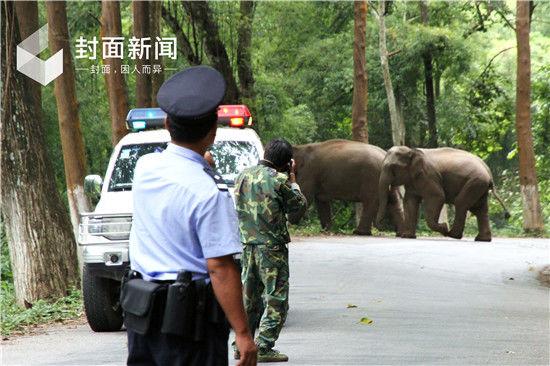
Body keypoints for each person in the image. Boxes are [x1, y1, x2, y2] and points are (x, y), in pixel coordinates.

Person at [124, 65, 257, 366]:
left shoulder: (145, 168)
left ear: (168, 124)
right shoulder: (210, 193)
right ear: (213, 131)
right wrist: (244, 333)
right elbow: (220, 268)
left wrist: (202, 164)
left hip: (142, 315)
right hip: (188, 325)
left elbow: (180, 165)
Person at [233, 139, 307, 363]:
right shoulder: (279, 180)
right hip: (271, 249)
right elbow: (299, 205)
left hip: (247, 246)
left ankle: (241, 344)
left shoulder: (242, 176)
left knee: (249, 298)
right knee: (276, 298)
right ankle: (263, 345)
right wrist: (293, 182)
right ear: (286, 163)